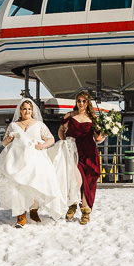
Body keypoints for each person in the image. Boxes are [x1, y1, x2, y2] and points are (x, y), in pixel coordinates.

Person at [0, 99, 65, 227]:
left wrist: (42, 146)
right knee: (17, 187)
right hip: (16, 160)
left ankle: (34, 210)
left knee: (34, 184)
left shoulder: (39, 125)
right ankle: (21, 216)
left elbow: (51, 139)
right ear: (20, 110)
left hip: (35, 159)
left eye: (29, 109)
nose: (27, 111)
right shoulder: (13, 125)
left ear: (33, 111)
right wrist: (8, 140)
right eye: (25, 109)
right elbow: (4, 143)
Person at [58, 90, 105, 225]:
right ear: (76, 102)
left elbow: (97, 138)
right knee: (76, 180)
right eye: (79, 101)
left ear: (88, 102)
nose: (81, 103)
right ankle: (72, 204)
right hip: (74, 152)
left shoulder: (93, 117)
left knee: (88, 182)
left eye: (84, 101)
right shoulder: (70, 115)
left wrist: (103, 136)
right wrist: (64, 143)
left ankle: (85, 211)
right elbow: (61, 131)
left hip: (89, 152)